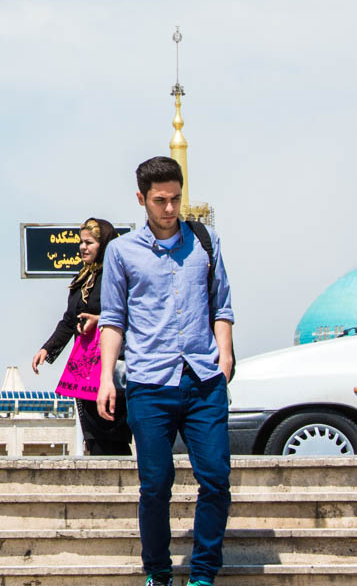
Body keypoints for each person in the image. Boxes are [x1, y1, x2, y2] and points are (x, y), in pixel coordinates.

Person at [97, 157, 235, 586]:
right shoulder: (121, 252)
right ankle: (157, 570)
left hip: (203, 379)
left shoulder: (205, 241)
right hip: (149, 384)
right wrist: (106, 378)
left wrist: (225, 355)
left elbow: (222, 305)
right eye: (160, 200)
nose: (170, 208)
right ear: (142, 199)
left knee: (216, 478)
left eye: (176, 199)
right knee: (155, 484)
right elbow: (113, 319)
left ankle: (204, 571)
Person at [31, 217, 133, 454]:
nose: (82, 247)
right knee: (92, 433)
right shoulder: (82, 278)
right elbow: (69, 320)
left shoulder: (116, 276)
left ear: (104, 244)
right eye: (81, 242)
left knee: (111, 431)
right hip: (85, 366)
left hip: (111, 363)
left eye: (89, 242)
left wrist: (101, 322)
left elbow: (130, 315)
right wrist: (47, 348)